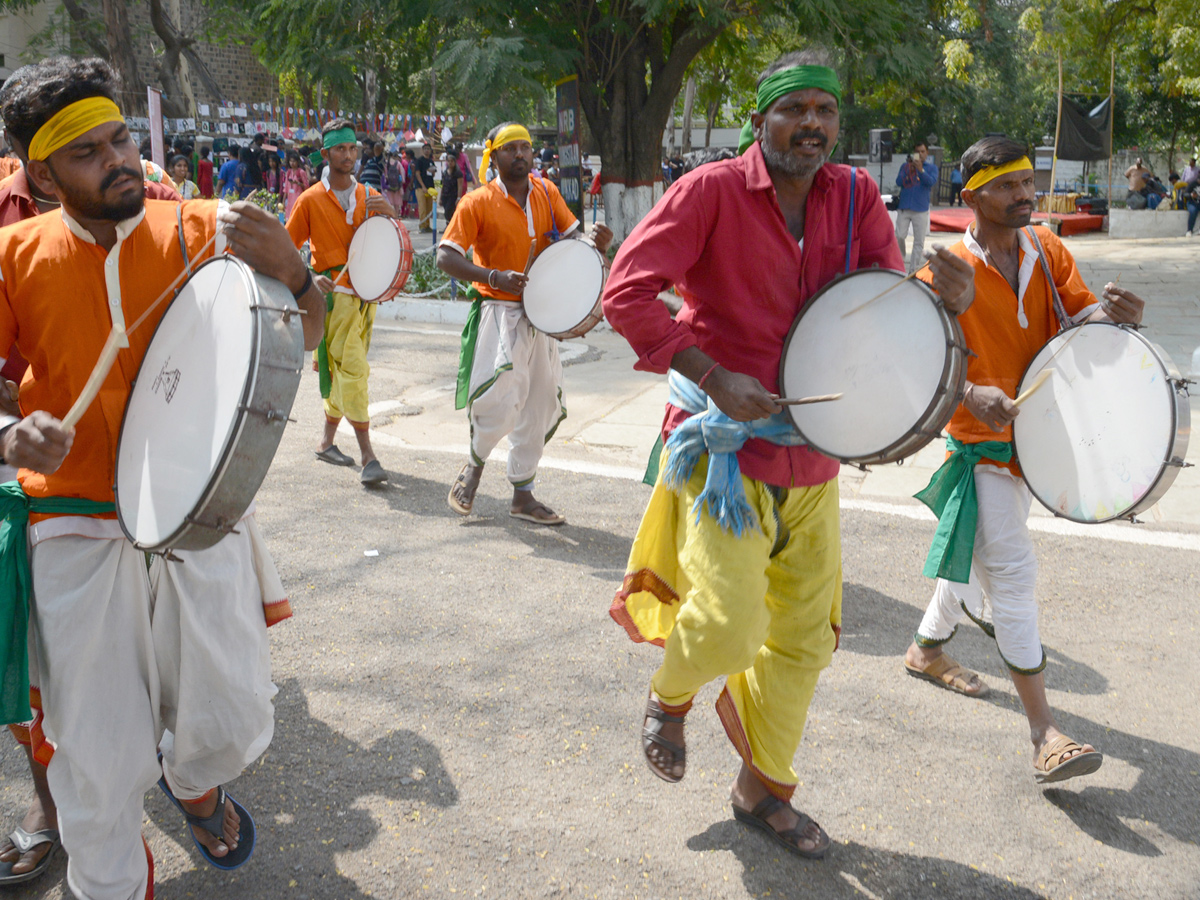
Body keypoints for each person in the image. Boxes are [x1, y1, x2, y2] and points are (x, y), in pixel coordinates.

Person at [602, 50, 975, 859]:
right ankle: (671, 698)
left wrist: (937, 299)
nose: (813, 125)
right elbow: (625, 291)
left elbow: (879, 305)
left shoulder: (856, 198)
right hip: (725, 458)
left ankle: (759, 789)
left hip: (816, 461)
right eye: (794, 109)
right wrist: (710, 372)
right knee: (732, 629)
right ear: (761, 119)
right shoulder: (709, 191)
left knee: (806, 641)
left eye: (826, 112)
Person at [0, 55, 328, 900]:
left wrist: (296, 273)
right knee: (97, 757)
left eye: (120, 140)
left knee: (230, 718)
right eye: (88, 153)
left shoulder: (201, 228)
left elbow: (305, 331)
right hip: (72, 523)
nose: (117, 161)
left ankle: (195, 782)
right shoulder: (12, 256)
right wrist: (9, 434)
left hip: (197, 514)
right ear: (41, 173)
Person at [902, 135, 1145, 785]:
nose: (1024, 195)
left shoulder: (1047, 248)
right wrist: (968, 392)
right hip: (979, 450)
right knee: (1010, 573)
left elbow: (1086, 325)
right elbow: (914, 370)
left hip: (1037, 445)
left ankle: (925, 650)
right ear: (972, 194)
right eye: (1007, 185)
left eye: (1027, 183)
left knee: (977, 553)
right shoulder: (945, 273)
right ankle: (1044, 733)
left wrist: (1122, 322)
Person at [437, 121, 613, 525]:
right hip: (499, 310)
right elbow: (445, 257)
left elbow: (574, 241)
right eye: (511, 149)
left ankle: (523, 495)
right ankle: (474, 468)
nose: (521, 155)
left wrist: (596, 244)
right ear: (493, 156)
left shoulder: (547, 193)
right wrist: (493, 277)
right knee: (500, 396)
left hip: (543, 315)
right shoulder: (476, 201)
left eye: (526, 149)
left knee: (541, 401)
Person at [286, 118, 398, 486]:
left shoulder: (368, 195)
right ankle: (368, 456)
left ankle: (326, 442)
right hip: (334, 298)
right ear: (325, 153)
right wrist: (307, 275)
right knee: (354, 370)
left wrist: (391, 215)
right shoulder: (309, 200)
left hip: (367, 298)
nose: (348, 155)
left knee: (343, 370)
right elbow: (287, 249)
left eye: (352, 148)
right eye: (340, 149)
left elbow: (387, 240)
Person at [894, 141, 939, 273]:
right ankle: (899, 264)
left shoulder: (931, 168)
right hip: (904, 206)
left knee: (918, 241)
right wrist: (908, 170)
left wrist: (921, 170)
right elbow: (898, 182)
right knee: (899, 236)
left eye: (922, 151)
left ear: (927, 153)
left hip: (920, 208)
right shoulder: (905, 166)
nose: (919, 154)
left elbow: (931, 182)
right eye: (917, 151)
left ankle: (913, 270)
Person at [413, 142, 436, 231]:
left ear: (430, 150)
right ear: (423, 150)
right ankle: (422, 226)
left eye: (428, 149)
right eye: (425, 149)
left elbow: (432, 175)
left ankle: (427, 225)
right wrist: (423, 186)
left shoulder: (431, 161)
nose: (427, 150)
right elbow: (417, 174)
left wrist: (432, 172)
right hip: (421, 187)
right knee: (422, 207)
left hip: (430, 187)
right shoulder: (419, 160)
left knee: (429, 207)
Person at [281, 150, 309, 220]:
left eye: (294, 161)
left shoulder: (301, 172)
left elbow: (306, 186)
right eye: (291, 161)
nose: (292, 163)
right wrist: (283, 201)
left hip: (298, 198)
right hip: (290, 199)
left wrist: (298, 183)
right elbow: (286, 188)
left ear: (297, 162)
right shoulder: (288, 172)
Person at [440, 151, 464, 225]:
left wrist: (458, 198)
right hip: (445, 195)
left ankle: (451, 226)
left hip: (453, 195)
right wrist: (440, 197)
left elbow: (460, 186)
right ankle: (449, 226)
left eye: (452, 161)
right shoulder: (445, 172)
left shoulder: (458, 173)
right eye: (449, 161)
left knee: (448, 212)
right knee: (447, 212)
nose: (450, 163)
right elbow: (443, 185)